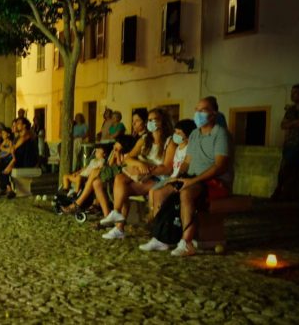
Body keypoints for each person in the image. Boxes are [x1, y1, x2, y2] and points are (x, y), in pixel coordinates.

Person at [99, 108, 176, 239]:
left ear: (162, 122)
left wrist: (148, 170)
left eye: (154, 120)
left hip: (159, 179)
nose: (150, 122)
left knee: (122, 187)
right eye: (149, 120)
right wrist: (140, 165)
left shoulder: (170, 142)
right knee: (120, 180)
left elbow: (167, 168)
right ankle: (117, 216)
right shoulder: (145, 139)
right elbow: (129, 158)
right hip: (143, 176)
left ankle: (118, 224)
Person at [168, 97, 232, 256]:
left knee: (186, 192)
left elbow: (220, 166)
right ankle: (164, 236)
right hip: (193, 178)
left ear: (213, 113)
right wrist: (178, 176)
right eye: (196, 110)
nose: (198, 113)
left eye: (202, 110)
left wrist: (191, 181)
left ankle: (187, 242)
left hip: (215, 182)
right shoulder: (195, 134)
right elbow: (187, 161)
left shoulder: (221, 134)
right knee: (163, 191)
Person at [139, 119, 197, 251]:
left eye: (179, 133)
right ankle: (158, 231)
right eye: (175, 131)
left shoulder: (190, 148)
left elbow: (185, 167)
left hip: (180, 179)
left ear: (187, 135)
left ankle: (161, 233)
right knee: (154, 192)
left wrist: (175, 178)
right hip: (173, 178)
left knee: (158, 194)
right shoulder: (178, 148)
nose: (175, 135)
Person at [271, 84, 299, 202]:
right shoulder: (290, 109)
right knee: (283, 169)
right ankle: (288, 196)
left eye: (295, 92)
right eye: (292, 92)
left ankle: (285, 196)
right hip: (289, 144)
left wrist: (291, 123)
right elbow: (283, 125)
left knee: (292, 170)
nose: (292, 95)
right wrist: (296, 122)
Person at [0, 117, 38, 198]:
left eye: (18, 123)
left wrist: (12, 161)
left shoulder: (28, 134)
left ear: (24, 126)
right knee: (1, 163)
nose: (16, 125)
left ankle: (7, 187)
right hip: (20, 159)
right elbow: (12, 150)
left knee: (5, 162)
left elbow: (15, 148)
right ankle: (8, 188)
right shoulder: (18, 137)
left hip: (29, 160)